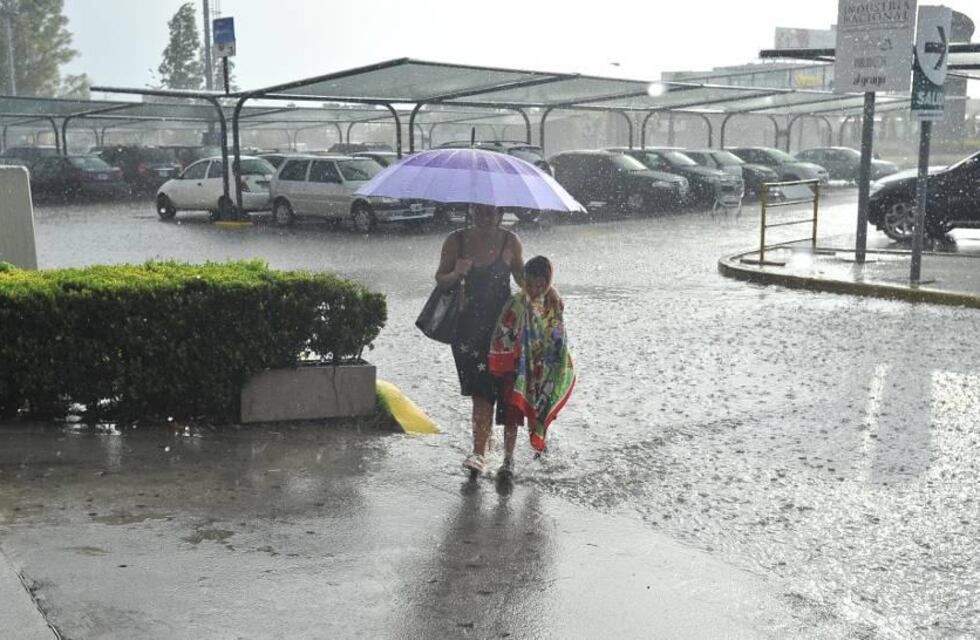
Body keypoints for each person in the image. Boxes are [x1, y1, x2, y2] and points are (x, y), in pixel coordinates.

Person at [435, 204, 525, 476]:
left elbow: (523, 279)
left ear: (500, 214)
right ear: (471, 211)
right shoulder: (456, 240)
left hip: (503, 331)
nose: (484, 217)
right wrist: (456, 272)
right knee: (480, 390)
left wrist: (547, 292)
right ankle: (479, 452)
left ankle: (497, 449)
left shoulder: (510, 241)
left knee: (505, 390)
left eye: (491, 212)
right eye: (479, 211)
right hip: (468, 331)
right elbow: (441, 279)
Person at [489, 256, 575, 477]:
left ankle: (539, 449)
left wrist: (559, 364)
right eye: (531, 284)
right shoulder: (515, 303)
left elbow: (558, 337)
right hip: (516, 370)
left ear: (548, 282)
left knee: (537, 411)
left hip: (539, 370)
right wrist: (502, 363)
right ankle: (508, 460)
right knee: (511, 414)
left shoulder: (553, 304)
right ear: (523, 280)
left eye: (541, 284)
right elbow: (502, 332)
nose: (536, 289)